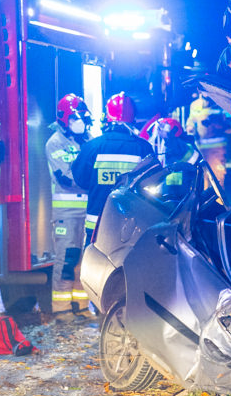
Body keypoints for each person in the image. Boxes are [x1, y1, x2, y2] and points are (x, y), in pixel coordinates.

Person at [71, 92, 154, 245]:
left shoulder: (92, 147)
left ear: (107, 117)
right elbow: (152, 185)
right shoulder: (144, 148)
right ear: (133, 117)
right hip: (132, 225)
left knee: (94, 265)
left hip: (96, 223)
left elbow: (80, 181)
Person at [46, 94, 92, 314]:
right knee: (66, 260)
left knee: (85, 261)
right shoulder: (55, 143)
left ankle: (81, 306)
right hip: (67, 212)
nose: (79, 121)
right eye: (74, 117)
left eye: (81, 116)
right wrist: (93, 183)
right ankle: (62, 309)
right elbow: (65, 179)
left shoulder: (89, 140)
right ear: (64, 119)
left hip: (88, 211)